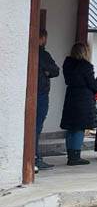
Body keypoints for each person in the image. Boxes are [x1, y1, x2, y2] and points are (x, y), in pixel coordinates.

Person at [60, 42, 97, 166]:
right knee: (79, 128)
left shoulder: (67, 64)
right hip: (84, 98)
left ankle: (70, 155)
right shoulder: (86, 66)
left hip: (71, 95)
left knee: (71, 128)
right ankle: (76, 157)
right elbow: (92, 83)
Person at [35, 30, 60, 171]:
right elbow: (55, 71)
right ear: (42, 38)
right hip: (40, 94)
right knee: (36, 127)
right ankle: (35, 158)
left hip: (33, 93)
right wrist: (46, 71)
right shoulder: (43, 54)